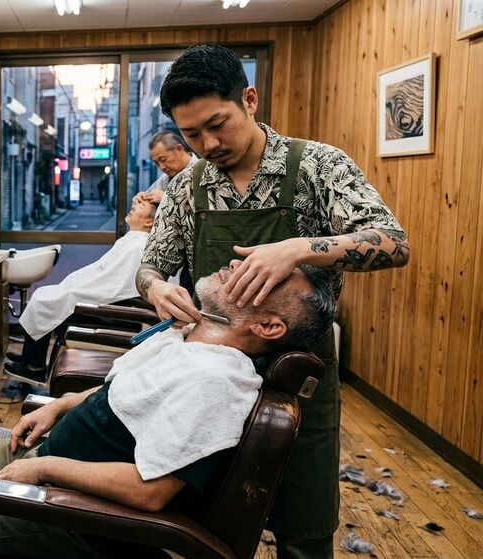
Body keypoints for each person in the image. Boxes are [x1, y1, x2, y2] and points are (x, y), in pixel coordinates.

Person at [135, 45, 409, 558]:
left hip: (295, 377)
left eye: (218, 124)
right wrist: (155, 287)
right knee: (197, 520)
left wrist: (303, 248)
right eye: (191, 134)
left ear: (250, 99)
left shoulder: (317, 166)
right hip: (209, 377)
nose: (208, 144)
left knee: (303, 522)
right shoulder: (188, 186)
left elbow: (395, 244)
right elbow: (151, 264)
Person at [0, 263, 336, 559]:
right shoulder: (191, 339)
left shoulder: (215, 382)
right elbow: (132, 392)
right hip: (61, 456)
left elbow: (150, 492)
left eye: (257, 275)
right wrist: (66, 405)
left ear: (269, 325)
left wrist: (45, 468)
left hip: (81, 520)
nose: (238, 263)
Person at [4, 198, 159, 384]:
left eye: (140, 206)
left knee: (47, 300)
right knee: (47, 296)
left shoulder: (137, 247)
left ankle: (34, 366)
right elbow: (107, 278)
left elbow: (115, 287)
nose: (133, 205)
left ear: (149, 222)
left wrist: (77, 290)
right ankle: (30, 359)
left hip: (110, 313)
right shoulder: (133, 240)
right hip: (104, 303)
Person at [137, 130, 198, 206]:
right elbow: (149, 196)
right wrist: (141, 198)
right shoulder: (166, 177)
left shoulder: (203, 172)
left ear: (179, 150)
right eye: (156, 163)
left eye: (163, 160)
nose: (162, 167)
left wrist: (167, 199)